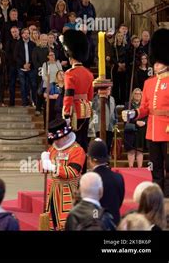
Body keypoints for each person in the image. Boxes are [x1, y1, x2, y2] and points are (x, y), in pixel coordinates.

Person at [123, 28, 169, 197]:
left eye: (159, 61)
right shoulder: (149, 83)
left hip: (167, 130)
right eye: (155, 61)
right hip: (153, 131)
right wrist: (133, 114)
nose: (155, 64)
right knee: (156, 167)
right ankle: (159, 198)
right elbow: (144, 108)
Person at [41, 118, 86, 230]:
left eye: (57, 139)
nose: (54, 141)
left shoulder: (77, 150)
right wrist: (43, 163)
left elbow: (73, 171)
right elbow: (45, 170)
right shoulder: (53, 149)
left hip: (70, 190)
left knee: (67, 222)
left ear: (65, 136)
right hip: (54, 190)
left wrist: (54, 167)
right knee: (52, 220)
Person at [61, 30, 93, 169]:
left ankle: (74, 170)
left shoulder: (70, 74)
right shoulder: (89, 73)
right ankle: (83, 170)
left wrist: (66, 114)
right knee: (83, 142)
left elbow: (68, 95)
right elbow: (90, 95)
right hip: (86, 110)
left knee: (73, 143)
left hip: (74, 111)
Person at [87, 139, 125, 225]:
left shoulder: (88, 179)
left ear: (90, 159)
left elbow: (85, 206)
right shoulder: (118, 177)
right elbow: (119, 201)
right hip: (114, 222)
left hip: (95, 224)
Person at [124, 88, 146, 168]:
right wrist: (136, 122)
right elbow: (126, 117)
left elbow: (147, 116)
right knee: (131, 150)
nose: (137, 95)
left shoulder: (144, 105)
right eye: (136, 94)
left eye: (139, 94)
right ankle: (131, 168)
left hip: (141, 130)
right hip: (130, 130)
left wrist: (144, 122)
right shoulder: (128, 105)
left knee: (140, 150)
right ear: (133, 95)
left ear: (141, 95)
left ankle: (139, 169)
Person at [15, 28, 37, 107]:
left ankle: (35, 102)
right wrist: (23, 65)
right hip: (21, 68)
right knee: (23, 85)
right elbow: (16, 56)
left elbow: (34, 56)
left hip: (31, 68)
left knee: (33, 85)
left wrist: (29, 64)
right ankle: (25, 103)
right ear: (22, 35)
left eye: (28, 33)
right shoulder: (18, 44)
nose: (26, 34)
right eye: (25, 33)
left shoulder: (33, 44)